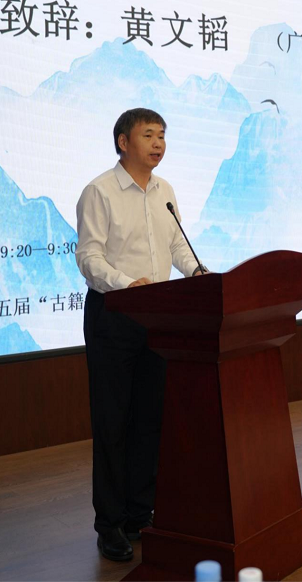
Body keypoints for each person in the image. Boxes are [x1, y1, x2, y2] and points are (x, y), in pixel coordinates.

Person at [76, 107, 206, 562]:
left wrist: (197, 273)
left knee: (150, 420)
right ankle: (109, 524)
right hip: (114, 315)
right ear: (122, 141)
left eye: (162, 135)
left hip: (158, 317)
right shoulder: (100, 191)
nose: (158, 143)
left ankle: (138, 513)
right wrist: (127, 284)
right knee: (113, 423)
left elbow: (176, 246)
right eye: (148, 135)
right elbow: (89, 257)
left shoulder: (164, 191)